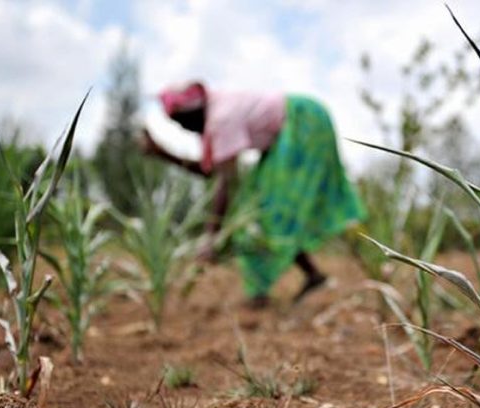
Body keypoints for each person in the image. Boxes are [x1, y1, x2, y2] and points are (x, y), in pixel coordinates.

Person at [141, 82, 366, 308]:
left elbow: (224, 182)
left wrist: (211, 238)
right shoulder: (215, 116)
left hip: (303, 122)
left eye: (182, 122)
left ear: (194, 111)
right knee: (260, 209)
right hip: (285, 133)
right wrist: (162, 153)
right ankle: (310, 275)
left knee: (271, 210)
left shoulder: (222, 118)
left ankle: (364, 257)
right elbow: (209, 171)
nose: (183, 129)